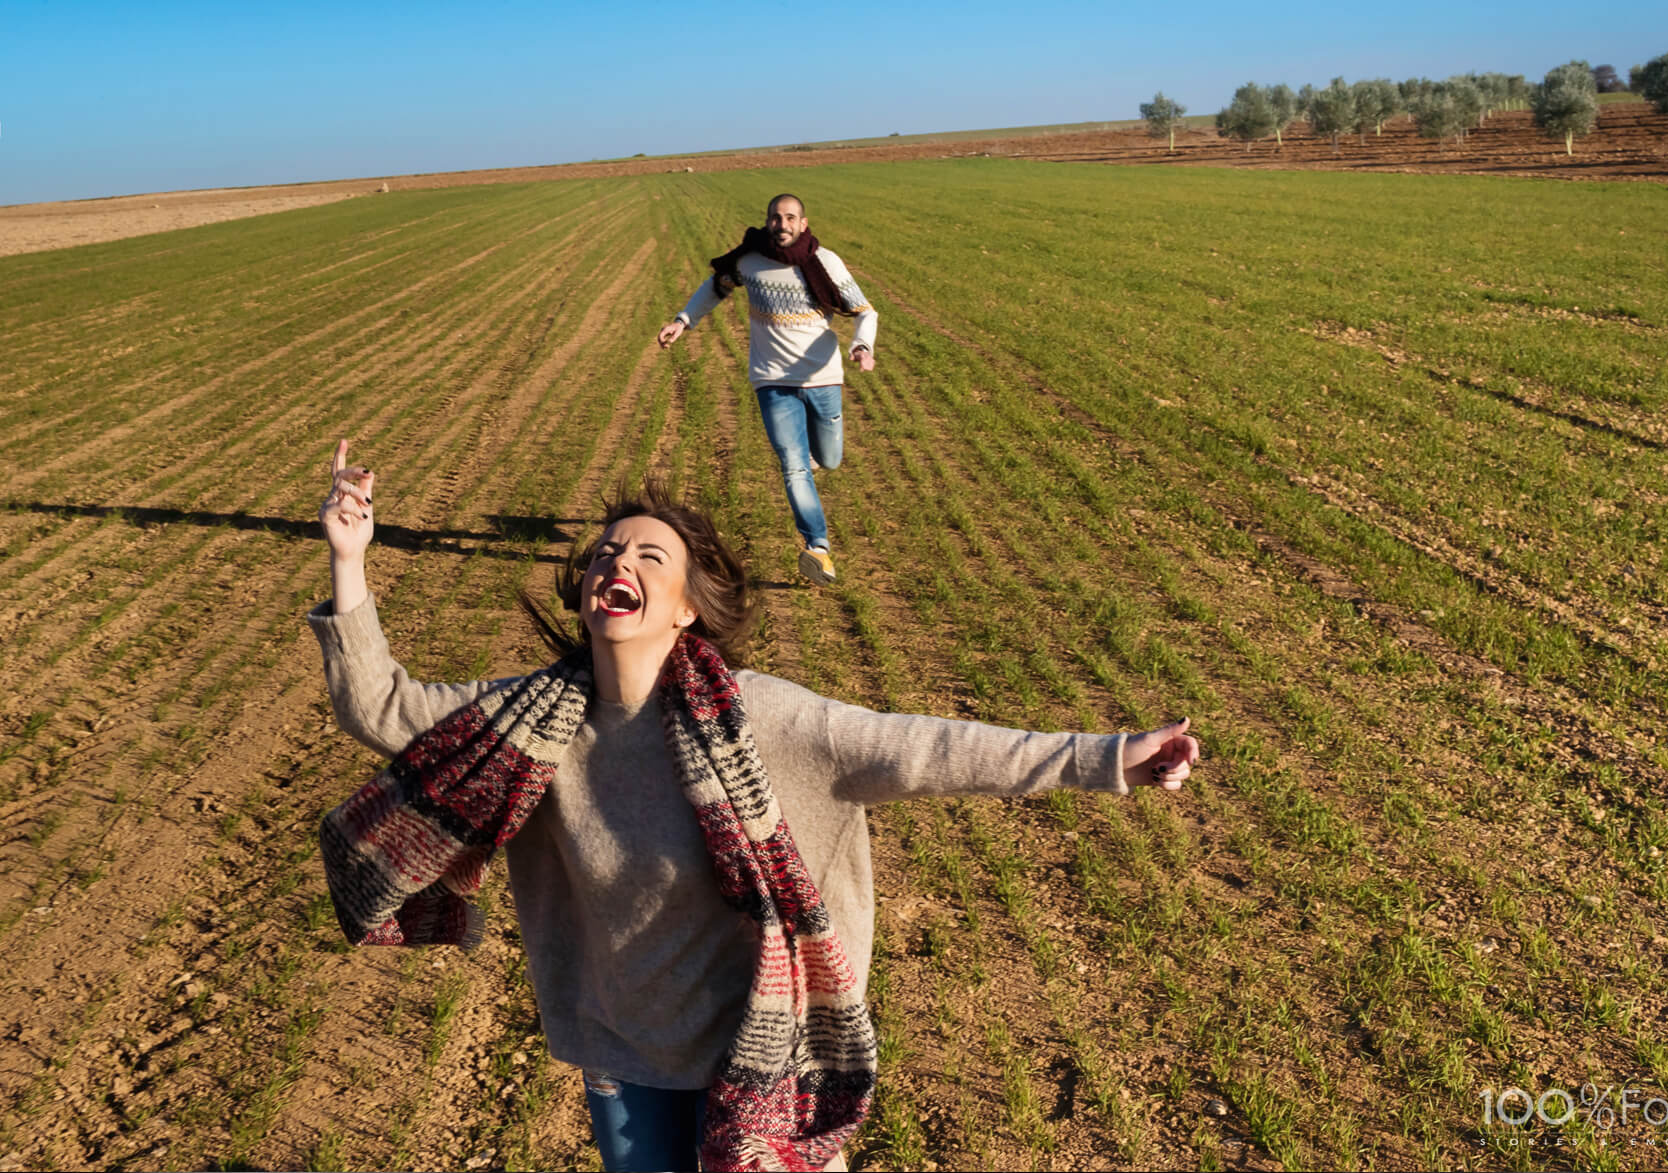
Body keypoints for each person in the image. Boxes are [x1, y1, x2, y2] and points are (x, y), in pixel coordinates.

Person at [310, 440, 1199, 1172]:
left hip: (767, 1041)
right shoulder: (530, 723)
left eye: (648, 555)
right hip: (625, 1044)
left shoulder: (765, 719)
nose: (619, 562)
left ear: (688, 609)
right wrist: (350, 560)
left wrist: (1111, 757)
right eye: (607, 553)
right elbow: (384, 708)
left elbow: (928, 748)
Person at [657, 193, 876, 588]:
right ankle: (818, 549)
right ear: (767, 221)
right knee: (793, 466)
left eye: (791, 217)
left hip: (823, 377)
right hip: (771, 379)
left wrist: (863, 345)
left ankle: (812, 468)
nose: (782, 224)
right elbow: (716, 287)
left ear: (803, 224)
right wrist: (684, 320)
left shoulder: (824, 261)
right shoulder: (749, 260)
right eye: (776, 217)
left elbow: (865, 311)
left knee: (829, 459)